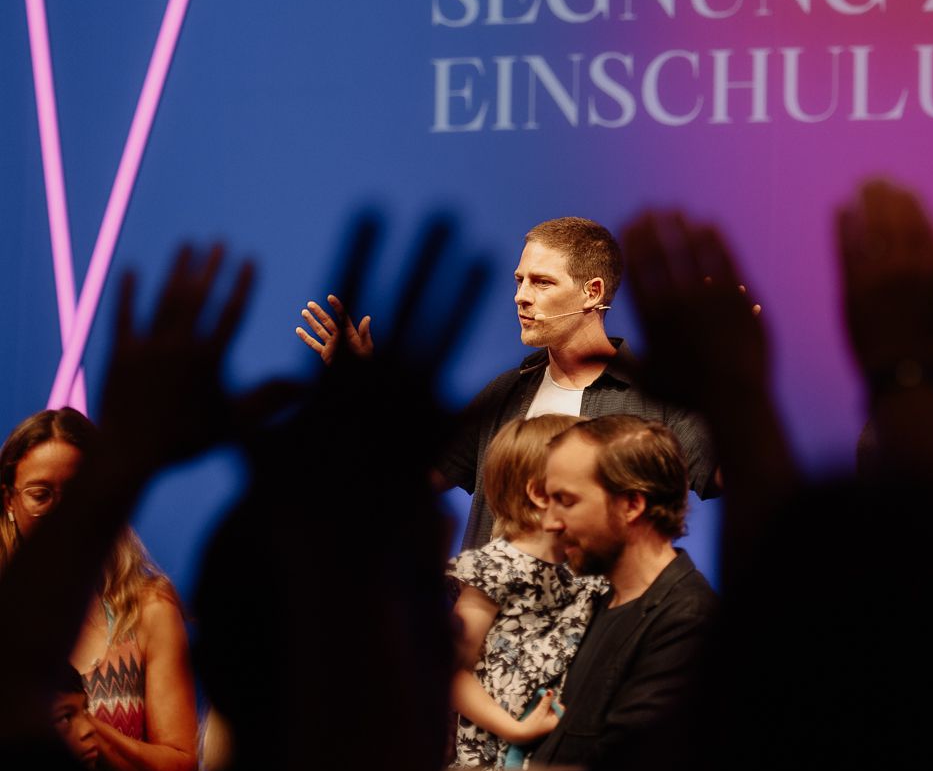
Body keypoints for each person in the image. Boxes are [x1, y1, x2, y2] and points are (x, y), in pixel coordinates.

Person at [296, 216, 716, 551]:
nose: (521, 296)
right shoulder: (506, 394)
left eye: (542, 282)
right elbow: (409, 481)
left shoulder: (655, 399)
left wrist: (735, 391)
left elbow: (720, 477)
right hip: (491, 625)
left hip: (604, 628)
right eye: (520, 280)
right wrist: (369, 398)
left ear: (592, 292)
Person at [0, 409, 199, 771]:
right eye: (40, 495)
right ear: (9, 501)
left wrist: (86, 730)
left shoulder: (148, 608)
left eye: (76, 494)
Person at [528, 415, 716, 769]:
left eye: (565, 500)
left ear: (631, 505)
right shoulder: (606, 600)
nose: (549, 523)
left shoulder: (686, 620)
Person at [447, 414, 606, 771]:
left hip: (561, 749)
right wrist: (514, 729)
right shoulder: (496, 568)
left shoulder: (586, 567)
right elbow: (454, 672)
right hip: (496, 758)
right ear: (540, 493)